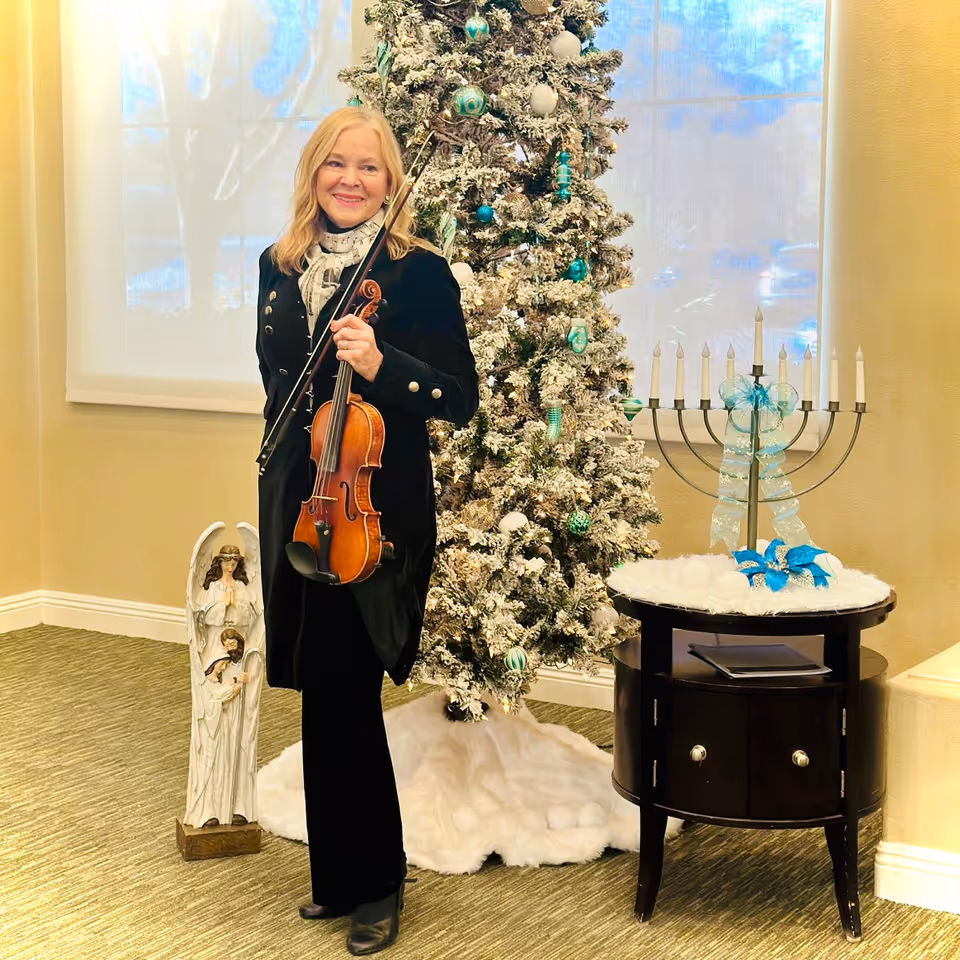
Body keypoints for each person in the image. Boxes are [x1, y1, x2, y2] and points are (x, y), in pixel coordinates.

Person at [255, 106, 479, 956]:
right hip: (299, 499)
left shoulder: (417, 274)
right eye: (335, 165)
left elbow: (457, 397)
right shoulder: (279, 268)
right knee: (320, 689)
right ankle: (336, 877)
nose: (351, 180)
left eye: (370, 168)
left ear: (391, 183)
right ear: (313, 174)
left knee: (349, 687)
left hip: (374, 511)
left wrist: (385, 365)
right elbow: (278, 386)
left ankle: (377, 881)